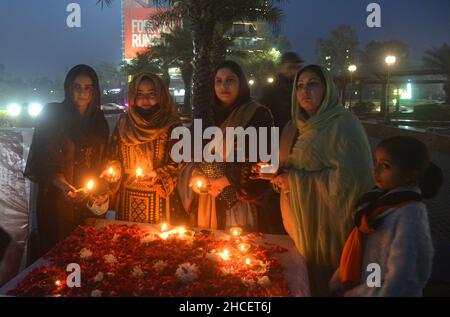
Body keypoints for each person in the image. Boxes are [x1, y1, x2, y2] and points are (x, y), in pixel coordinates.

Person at [270, 65, 374, 296]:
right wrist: (277, 175)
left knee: (329, 285)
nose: (305, 91)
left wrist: (295, 181)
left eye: (313, 84)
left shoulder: (344, 124)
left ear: (327, 89)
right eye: (300, 86)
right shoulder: (296, 126)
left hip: (331, 232)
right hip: (299, 224)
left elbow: (351, 182)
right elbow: (289, 166)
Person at [329, 136, 442, 297]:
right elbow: (370, 257)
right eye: (376, 163)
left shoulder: (410, 215)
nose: (375, 171)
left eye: (385, 166)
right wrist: (343, 280)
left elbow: (403, 281)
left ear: (410, 174)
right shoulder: (376, 205)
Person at [24, 65, 109, 260]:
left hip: (89, 201)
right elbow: (42, 160)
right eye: (77, 86)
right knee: (59, 257)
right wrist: (64, 186)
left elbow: (104, 160)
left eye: (88, 87)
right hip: (57, 200)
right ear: (68, 88)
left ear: (94, 90)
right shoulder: (52, 114)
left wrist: (103, 188)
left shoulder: (98, 119)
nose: (82, 92)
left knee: (88, 255)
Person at [178, 60, 273, 231]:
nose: (224, 86)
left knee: (237, 249)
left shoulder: (256, 114)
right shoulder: (204, 115)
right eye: (219, 81)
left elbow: (263, 160)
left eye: (230, 80)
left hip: (238, 199)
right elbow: (189, 153)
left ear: (241, 83)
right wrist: (197, 175)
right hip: (206, 198)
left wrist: (227, 179)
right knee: (207, 248)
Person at [101, 72, 186, 225]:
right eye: (140, 94)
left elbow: (180, 163)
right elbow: (113, 155)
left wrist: (158, 174)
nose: (145, 100)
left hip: (161, 201)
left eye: (151, 94)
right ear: (133, 96)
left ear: (161, 95)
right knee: (129, 241)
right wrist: (114, 168)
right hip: (127, 201)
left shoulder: (171, 125)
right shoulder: (124, 123)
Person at [257, 52, 303, 234]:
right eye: (290, 66)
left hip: (297, 148)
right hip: (273, 148)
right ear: (281, 67)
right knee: (271, 194)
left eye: (296, 66)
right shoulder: (273, 91)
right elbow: (263, 121)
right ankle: (274, 233)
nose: (293, 71)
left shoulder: (298, 88)